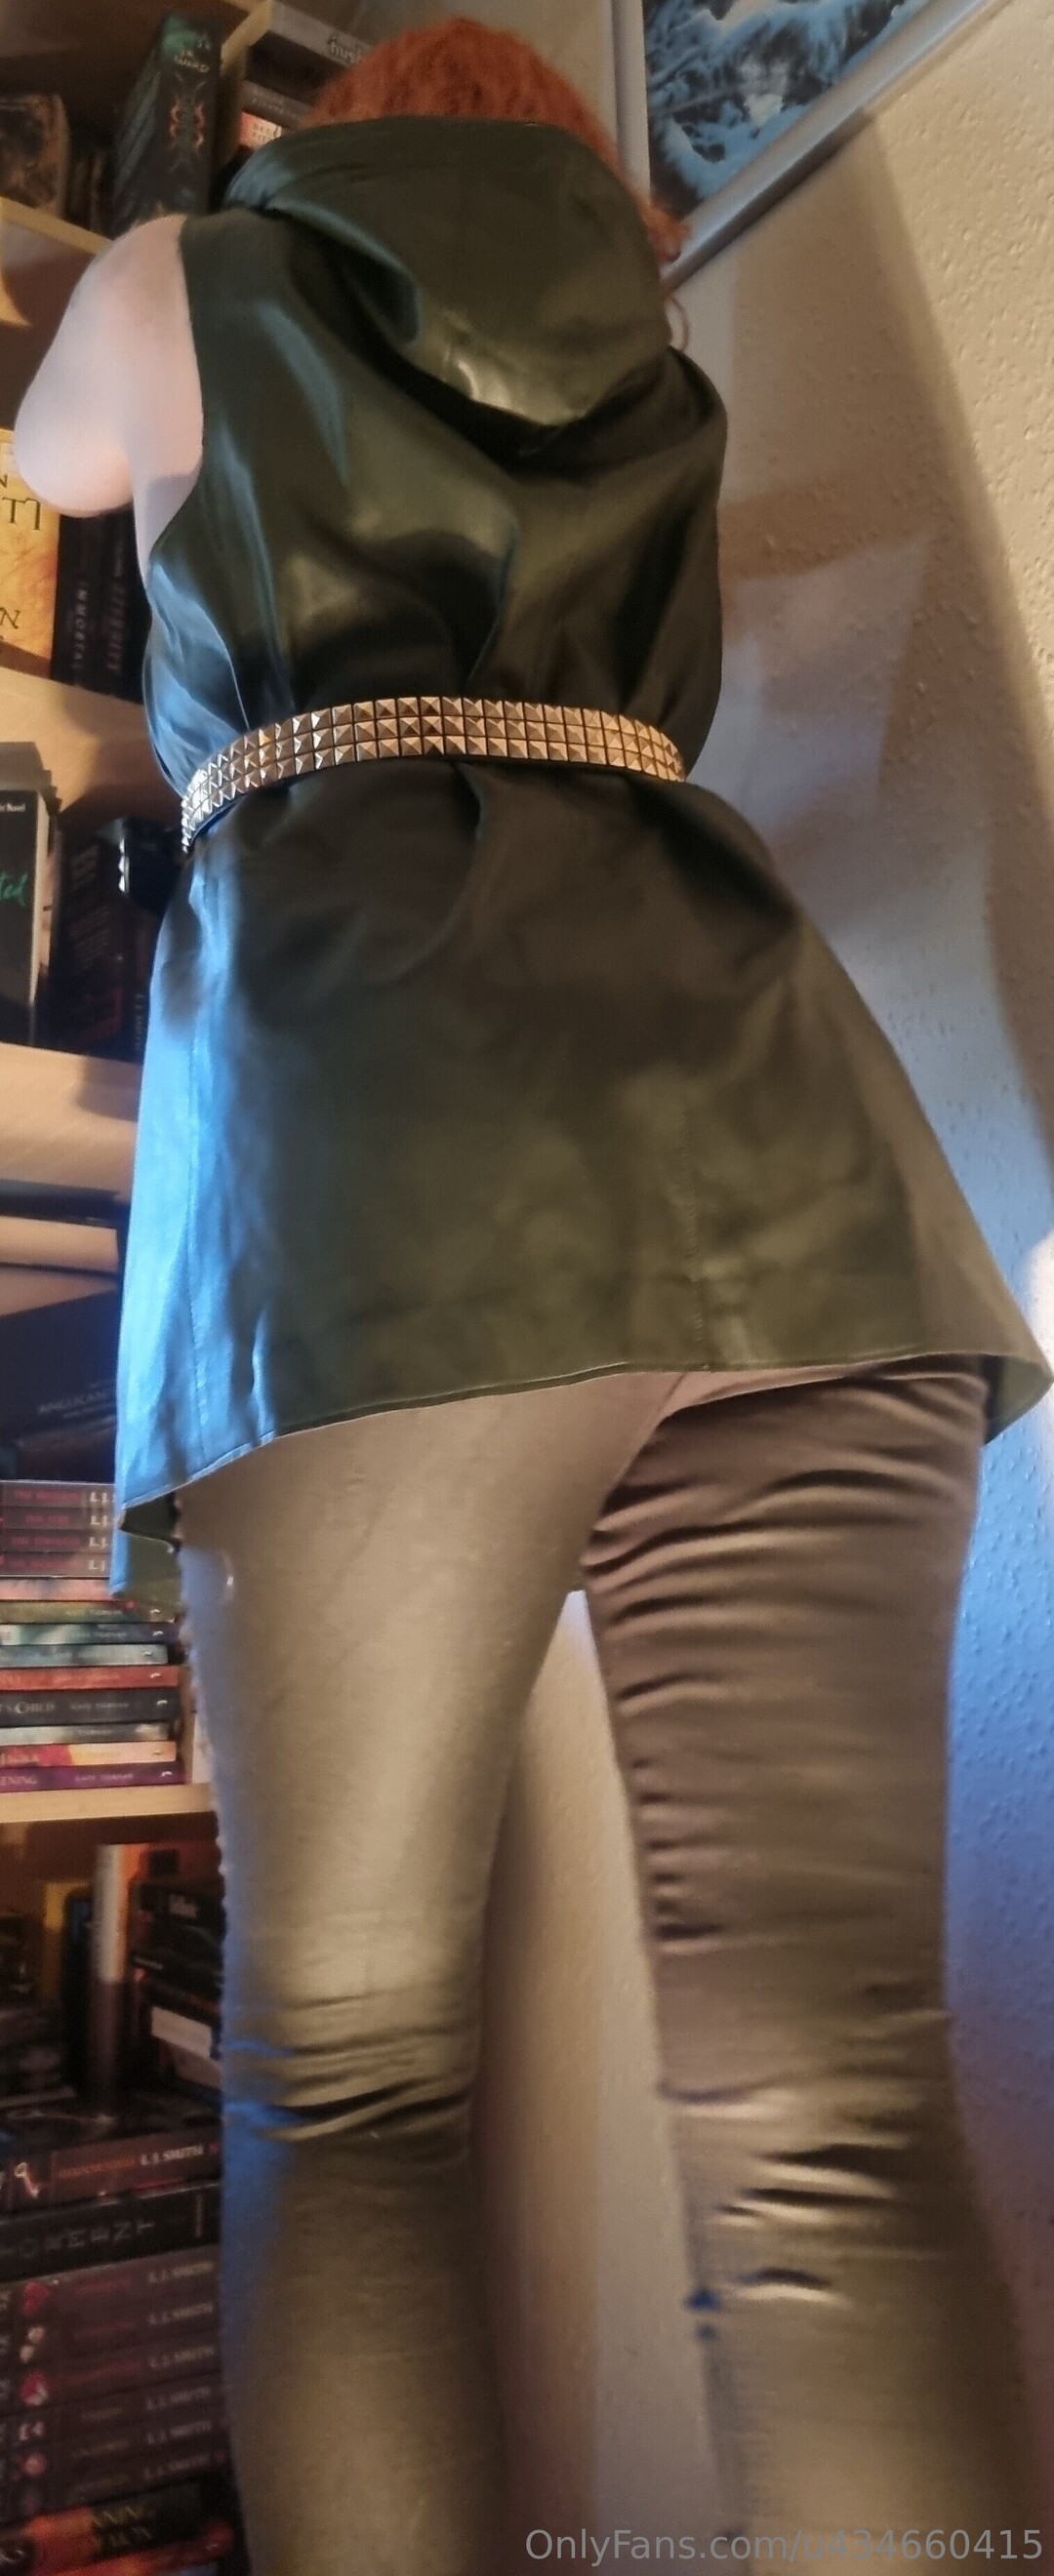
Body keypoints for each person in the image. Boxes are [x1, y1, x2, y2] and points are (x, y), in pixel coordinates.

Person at [15, 20, 1051, 2573]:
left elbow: (52, 456)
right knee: (833, 2120)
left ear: (332, 143)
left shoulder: (187, 276)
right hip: (794, 1176)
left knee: (351, 2084)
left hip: (379, 1174)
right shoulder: (651, 357)